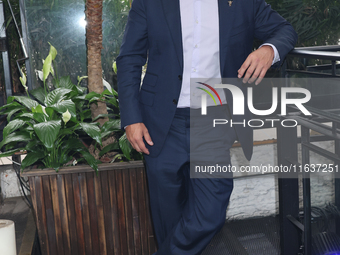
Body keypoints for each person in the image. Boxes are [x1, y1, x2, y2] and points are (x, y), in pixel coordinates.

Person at [117, 0, 297, 254]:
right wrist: (132, 118)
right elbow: (129, 58)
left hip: (213, 121)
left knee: (210, 211)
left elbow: (285, 30)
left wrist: (268, 49)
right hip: (160, 123)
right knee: (168, 219)